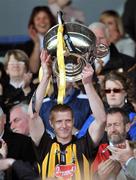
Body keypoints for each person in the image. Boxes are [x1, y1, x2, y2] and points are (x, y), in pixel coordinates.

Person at [28, 50, 106, 179]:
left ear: (73, 120)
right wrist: (46, 76)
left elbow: (101, 120)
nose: (64, 125)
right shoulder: (44, 145)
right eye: (59, 121)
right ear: (51, 123)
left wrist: (87, 83)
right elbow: (32, 114)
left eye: (68, 120)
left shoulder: (85, 144)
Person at [92, 107, 133, 180]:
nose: (113, 129)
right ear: (105, 128)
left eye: (116, 124)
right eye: (109, 125)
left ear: (127, 127)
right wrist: (98, 176)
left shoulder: (135, 150)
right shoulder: (96, 151)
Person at [24, 6, 56, 75]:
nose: (42, 21)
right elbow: (34, 70)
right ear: (33, 23)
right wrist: (37, 44)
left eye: (45, 18)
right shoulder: (26, 45)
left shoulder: (61, 41)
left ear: (51, 20)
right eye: (38, 19)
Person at [2, 49, 36, 114]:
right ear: (6, 69)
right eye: (12, 63)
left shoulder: (36, 88)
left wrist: (27, 89)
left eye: (20, 62)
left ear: (27, 68)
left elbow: (35, 110)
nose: (16, 65)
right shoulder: (2, 89)